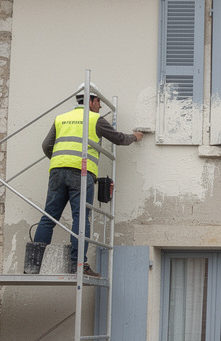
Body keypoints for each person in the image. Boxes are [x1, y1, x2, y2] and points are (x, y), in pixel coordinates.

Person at [26, 91, 142, 277]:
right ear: (91, 102)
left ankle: (33, 266)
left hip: (57, 171)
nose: (100, 106)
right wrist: (136, 136)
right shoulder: (95, 120)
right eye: (98, 102)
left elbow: (46, 145)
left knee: (49, 217)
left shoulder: (61, 118)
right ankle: (77, 264)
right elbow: (119, 139)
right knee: (80, 218)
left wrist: (60, 161)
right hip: (81, 172)